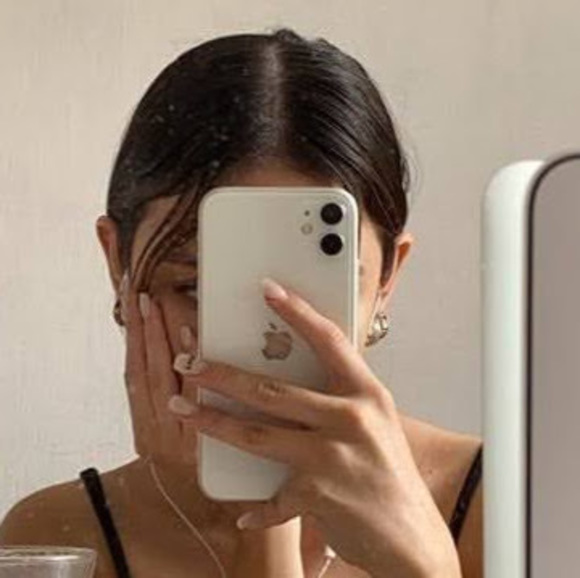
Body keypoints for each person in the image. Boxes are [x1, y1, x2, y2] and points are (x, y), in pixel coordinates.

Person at [0, 28, 482, 578]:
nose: (264, 338)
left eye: (311, 290)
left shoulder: (507, 504)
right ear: (118, 264)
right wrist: (261, 524)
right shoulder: (59, 542)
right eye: (196, 288)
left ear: (387, 276)